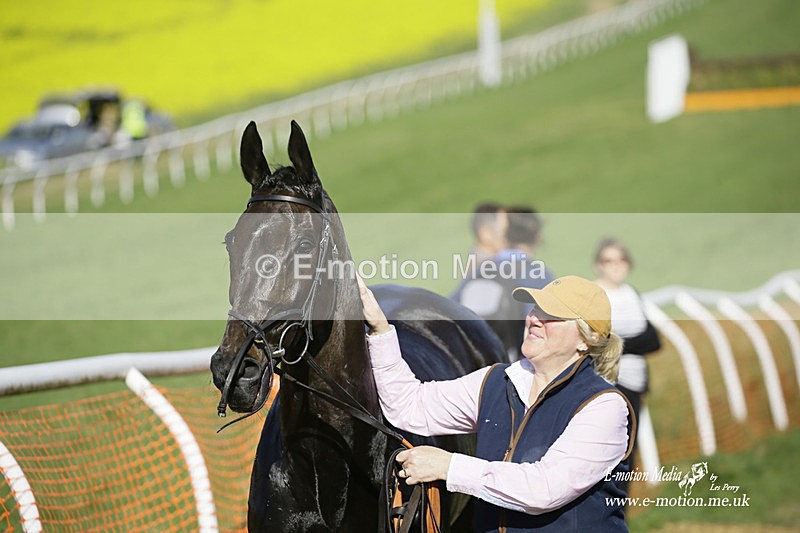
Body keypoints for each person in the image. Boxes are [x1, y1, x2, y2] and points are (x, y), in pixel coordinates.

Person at [359, 274, 635, 532]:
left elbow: (544, 489)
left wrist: (448, 466)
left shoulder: (605, 406)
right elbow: (410, 406)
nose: (535, 319)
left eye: (552, 315)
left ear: (588, 339)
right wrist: (380, 329)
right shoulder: (495, 380)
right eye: (536, 309)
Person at [593, 238, 661, 484]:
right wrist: (631, 344)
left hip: (635, 382)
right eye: (608, 260)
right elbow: (596, 343)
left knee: (628, 454)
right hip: (606, 382)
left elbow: (654, 340)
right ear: (598, 265)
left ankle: (620, 514)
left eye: (621, 259)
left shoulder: (632, 294)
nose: (615, 266)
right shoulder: (594, 295)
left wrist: (619, 345)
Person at [454, 206, 555, 361]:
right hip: (515, 366)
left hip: (472, 363)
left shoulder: (480, 271)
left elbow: (451, 307)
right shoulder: (539, 275)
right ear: (537, 237)